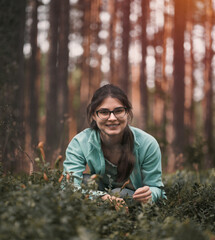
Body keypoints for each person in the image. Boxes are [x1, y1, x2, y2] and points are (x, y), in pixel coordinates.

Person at [63, 84, 165, 205]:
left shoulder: (147, 144)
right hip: (97, 198)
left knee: (119, 192)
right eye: (104, 112)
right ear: (94, 116)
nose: (112, 118)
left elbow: (156, 188)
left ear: (127, 113)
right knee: (86, 181)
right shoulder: (80, 142)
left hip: (132, 200)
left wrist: (150, 194)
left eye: (119, 111)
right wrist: (101, 198)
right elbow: (68, 187)